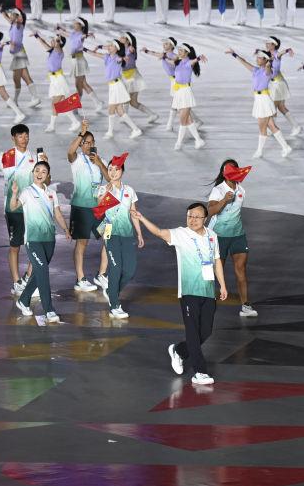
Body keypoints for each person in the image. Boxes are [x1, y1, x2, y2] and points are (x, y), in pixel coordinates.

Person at [134, 203, 228, 386]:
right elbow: (159, 232)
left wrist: (222, 285)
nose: (192, 220)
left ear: (205, 219)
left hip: (208, 291)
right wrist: (141, 218)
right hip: (189, 291)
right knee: (192, 331)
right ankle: (200, 372)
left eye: (197, 217)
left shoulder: (212, 236)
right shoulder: (181, 234)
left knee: (205, 332)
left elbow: (216, 260)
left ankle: (179, 351)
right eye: (189, 216)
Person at [0, 125, 40, 294]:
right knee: (15, 246)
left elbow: (44, 179)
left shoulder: (35, 157)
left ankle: (28, 277)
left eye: (26, 135)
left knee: (35, 244)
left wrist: (45, 164)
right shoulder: (7, 156)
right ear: (13, 138)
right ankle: (16, 282)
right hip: (13, 208)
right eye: (20, 136)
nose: (24, 139)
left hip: (32, 207)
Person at [12, 160, 71, 323]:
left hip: (49, 239)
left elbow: (57, 213)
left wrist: (65, 229)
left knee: (39, 273)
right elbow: (13, 206)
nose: (39, 174)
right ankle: (49, 310)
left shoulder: (51, 193)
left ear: (48, 175)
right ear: (33, 173)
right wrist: (14, 193)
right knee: (43, 271)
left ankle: (24, 300)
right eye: (37, 170)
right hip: (33, 239)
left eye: (43, 171)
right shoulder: (27, 192)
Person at [207, 159, 257, 317]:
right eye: (226, 170)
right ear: (224, 173)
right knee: (216, 271)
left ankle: (246, 306)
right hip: (218, 236)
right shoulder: (218, 190)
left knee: (241, 270)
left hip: (237, 235)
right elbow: (210, 211)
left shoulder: (241, 190)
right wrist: (224, 200)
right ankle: (206, 302)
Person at [97, 153, 142, 319]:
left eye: (116, 169)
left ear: (122, 171)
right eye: (110, 169)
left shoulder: (129, 190)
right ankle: (115, 305)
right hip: (110, 231)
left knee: (129, 270)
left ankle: (112, 291)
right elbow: (99, 210)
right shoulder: (103, 189)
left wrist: (139, 233)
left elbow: (133, 213)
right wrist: (106, 195)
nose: (113, 172)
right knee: (115, 267)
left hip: (127, 233)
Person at [226, 46, 292, 158]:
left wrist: (269, 63)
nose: (257, 59)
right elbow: (244, 62)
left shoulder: (269, 70)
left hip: (264, 100)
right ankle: (286, 147)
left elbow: (268, 70)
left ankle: (259, 151)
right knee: (271, 125)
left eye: (259, 58)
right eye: (257, 57)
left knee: (262, 127)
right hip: (258, 99)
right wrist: (234, 54)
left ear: (265, 60)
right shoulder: (256, 70)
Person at [67, 121, 109, 292]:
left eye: (92, 142)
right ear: (81, 144)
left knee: (109, 236)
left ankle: (101, 274)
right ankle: (80, 279)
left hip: (99, 208)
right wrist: (81, 133)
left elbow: (109, 178)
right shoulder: (76, 159)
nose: (89, 145)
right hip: (81, 208)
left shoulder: (100, 160)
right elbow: (70, 151)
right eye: (86, 142)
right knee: (82, 242)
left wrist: (99, 163)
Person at [84, 39, 143, 140]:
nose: (109, 47)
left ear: (117, 48)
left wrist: (123, 58)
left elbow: (121, 59)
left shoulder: (117, 58)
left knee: (111, 109)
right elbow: (95, 54)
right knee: (119, 110)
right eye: (109, 45)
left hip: (117, 86)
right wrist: (85, 49)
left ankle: (110, 132)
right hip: (112, 86)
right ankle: (135, 129)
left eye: (111, 45)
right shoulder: (107, 57)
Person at [31, 31, 81, 133]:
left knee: (55, 104)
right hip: (54, 80)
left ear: (59, 43)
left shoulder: (59, 51)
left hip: (59, 80)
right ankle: (75, 122)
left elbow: (58, 44)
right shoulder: (52, 51)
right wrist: (36, 36)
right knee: (61, 105)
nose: (52, 41)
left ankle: (52, 126)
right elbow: (43, 43)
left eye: (54, 41)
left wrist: (58, 37)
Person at [55, 18, 104, 114]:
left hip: (78, 61)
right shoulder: (73, 33)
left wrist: (88, 35)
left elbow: (83, 36)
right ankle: (97, 102)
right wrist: (59, 29)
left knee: (79, 85)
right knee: (83, 84)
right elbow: (65, 33)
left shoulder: (80, 35)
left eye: (75, 23)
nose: (73, 24)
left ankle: (78, 106)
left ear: (81, 25)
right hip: (75, 61)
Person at [163, 43, 207, 150]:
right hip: (178, 92)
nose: (179, 52)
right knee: (187, 119)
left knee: (183, 120)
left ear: (187, 53)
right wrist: (163, 57)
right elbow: (168, 60)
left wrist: (199, 58)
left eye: (181, 51)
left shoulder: (188, 62)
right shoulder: (177, 62)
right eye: (179, 50)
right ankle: (198, 140)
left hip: (185, 92)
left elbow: (194, 61)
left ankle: (178, 143)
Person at [117, 32, 159, 124]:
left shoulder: (130, 49)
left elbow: (131, 51)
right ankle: (152, 114)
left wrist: (131, 49)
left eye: (122, 37)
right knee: (133, 103)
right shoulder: (120, 49)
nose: (120, 38)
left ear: (128, 40)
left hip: (132, 76)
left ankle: (125, 116)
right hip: (125, 75)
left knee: (126, 98)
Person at [5, 9, 41, 109]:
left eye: (12, 14)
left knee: (19, 78)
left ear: (18, 17)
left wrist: (19, 17)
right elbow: (7, 18)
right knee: (20, 78)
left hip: (19, 54)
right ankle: (31, 98)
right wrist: (2, 11)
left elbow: (18, 20)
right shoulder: (13, 24)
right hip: (17, 54)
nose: (10, 15)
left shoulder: (18, 25)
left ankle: (19, 100)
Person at [265, 36, 301, 136]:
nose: (266, 44)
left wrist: (288, 50)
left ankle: (272, 128)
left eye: (269, 43)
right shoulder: (269, 54)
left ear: (274, 45)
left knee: (273, 107)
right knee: (281, 107)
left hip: (278, 84)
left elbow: (281, 53)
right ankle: (296, 126)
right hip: (276, 83)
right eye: (266, 43)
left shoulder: (276, 54)